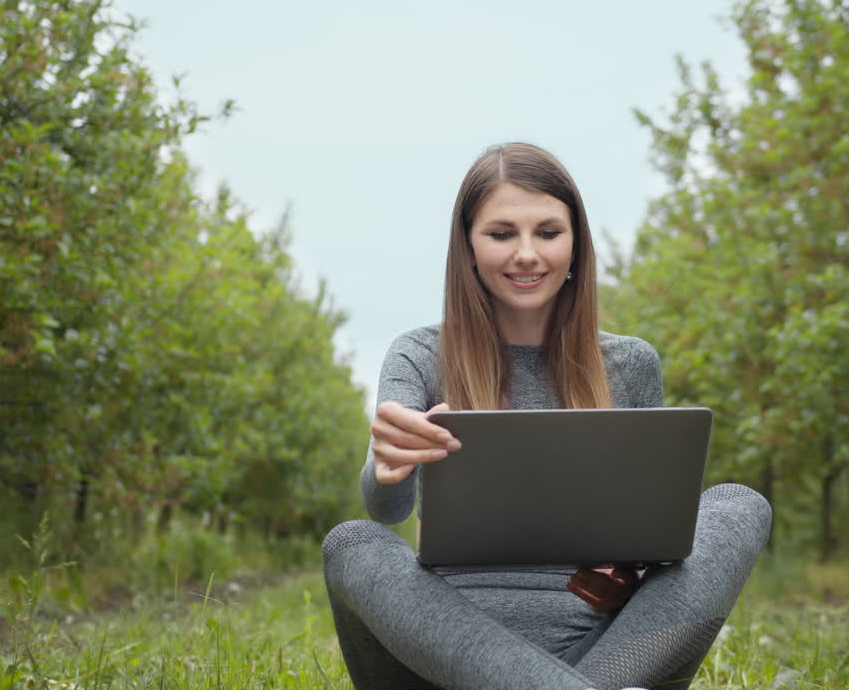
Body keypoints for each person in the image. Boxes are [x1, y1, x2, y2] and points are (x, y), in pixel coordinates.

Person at [321, 142, 771, 690]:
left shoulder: (629, 364)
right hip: (446, 652)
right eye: (502, 233)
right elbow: (386, 509)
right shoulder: (420, 354)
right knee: (351, 542)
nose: (527, 253)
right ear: (467, 249)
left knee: (740, 507)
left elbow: (651, 545)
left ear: (576, 245)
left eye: (549, 233)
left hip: (606, 654)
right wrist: (388, 467)